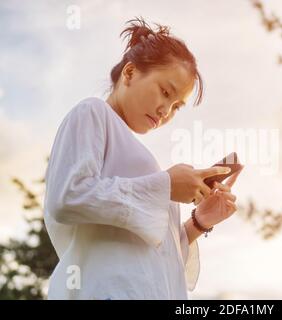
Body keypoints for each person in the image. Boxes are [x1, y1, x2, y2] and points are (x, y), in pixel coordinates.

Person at [43, 17, 240, 300]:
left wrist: (198, 223)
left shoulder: (138, 156)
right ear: (130, 72)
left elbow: (150, 259)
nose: (165, 111)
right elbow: (67, 196)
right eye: (165, 92)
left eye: (176, 106)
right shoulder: (92, 113)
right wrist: (166, 186)